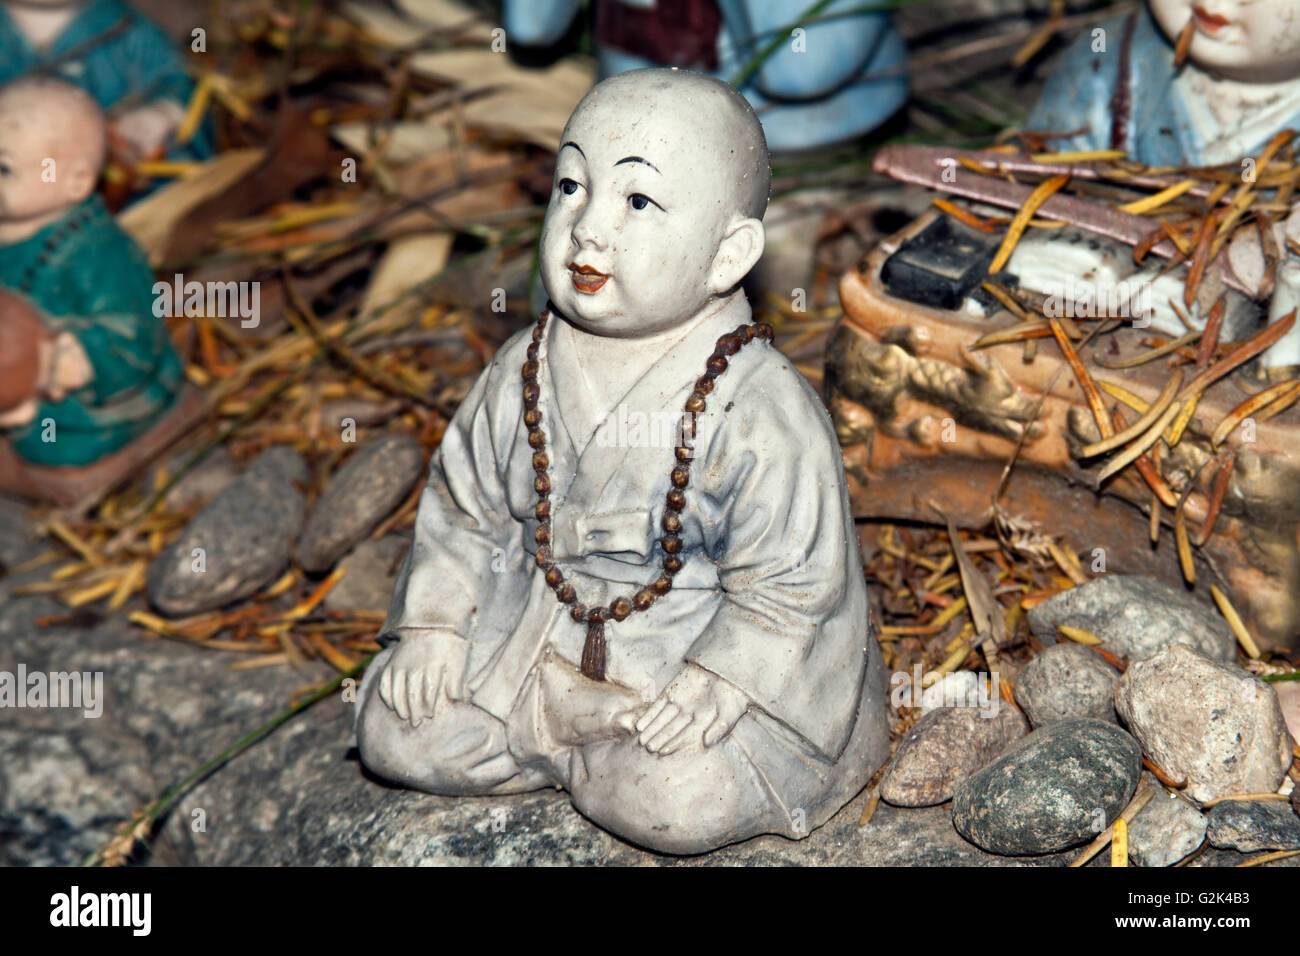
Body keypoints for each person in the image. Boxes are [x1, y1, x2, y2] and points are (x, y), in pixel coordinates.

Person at [355, 68, 889, 855]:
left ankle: (587, 737)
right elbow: (465, 512)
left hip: (687, 654)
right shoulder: (524, 370)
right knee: (394, 732)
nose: (588, 229)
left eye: (638, 202)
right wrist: (433, 627)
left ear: (728, 253)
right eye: (572, 186)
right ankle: (568, 729)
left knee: (679, 797)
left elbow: (794, 587)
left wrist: (722, 680)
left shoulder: (759, 408)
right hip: (529, 634)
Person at [0, 77, 188, 495]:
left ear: (77, 181)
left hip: (84, 394)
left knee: (46, 441)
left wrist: (69, 355)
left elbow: (132, 337)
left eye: (4, 168)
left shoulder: (100, 254)